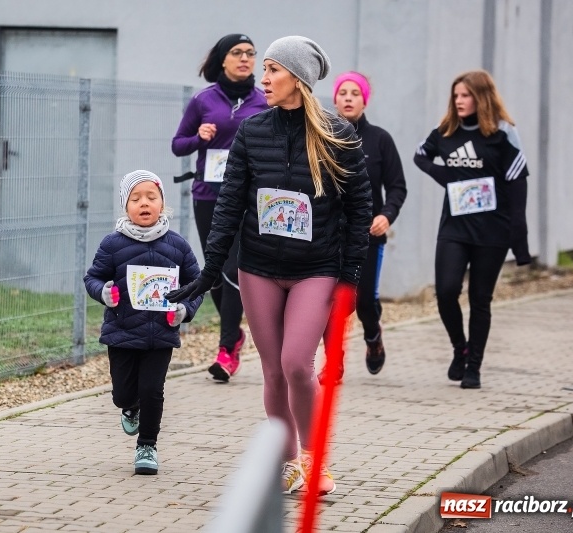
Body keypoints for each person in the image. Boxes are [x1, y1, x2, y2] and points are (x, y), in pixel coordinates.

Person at [167, 36, 372, 495]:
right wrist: (209, 269)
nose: (263, 77)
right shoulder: (252, 131)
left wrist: (350, 278)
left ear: (297, 79)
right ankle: (289, 462)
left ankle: (314, 458)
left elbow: (360, 209)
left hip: (315, 268)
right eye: (264, 68)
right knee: (273, 370)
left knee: (297, 363)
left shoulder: (337, 133)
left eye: (273, 69)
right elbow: (229, 205)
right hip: (258, 267)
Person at [413, 70, 531, 390]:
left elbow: (518, 181)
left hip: (493, 231)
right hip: (454, 227)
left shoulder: (503, 132)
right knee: (446, 291)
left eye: (466, 95)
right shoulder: (446, 131)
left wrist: (518, 235)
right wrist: (443, 175)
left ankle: (474, 366)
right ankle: (460, 348)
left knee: (480, 299)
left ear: (482, 97)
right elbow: (420, 155)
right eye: (456, 95)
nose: (459, 101)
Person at [84, 170, 204, 475]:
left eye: (152, 197)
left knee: (152, 390)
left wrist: (184, 310)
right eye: (136, 198)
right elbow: (93, 277)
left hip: (161, 334)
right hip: (122, 332)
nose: (144, 203)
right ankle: (130, 406)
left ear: (162, 203)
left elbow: (196, 284)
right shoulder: (112, 244)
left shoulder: (177, 245)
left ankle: (147, 446)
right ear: (125, 205)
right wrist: (104, 293)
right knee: (123, 394)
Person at [171, 33, 268, 382]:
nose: (245, 58)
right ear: (223, 59)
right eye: (237, 52)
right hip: (208, 195)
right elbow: (178, 145)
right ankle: (234, 334)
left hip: (247, 197)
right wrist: (199, 138)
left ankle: (227, 349)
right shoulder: (203, 100)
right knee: (214, 270)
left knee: (232, 267)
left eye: (250, 53)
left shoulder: (264, 101)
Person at [324, 71, 408, 376]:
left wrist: (386, 215)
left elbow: (397, 186)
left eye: (355, 93)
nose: (348, 98)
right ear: (335, 99)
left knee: (364, 303)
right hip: (330, 234)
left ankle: (373, 336)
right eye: (343, 93)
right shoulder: (323, 135)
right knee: (334, 300)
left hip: (368, 235)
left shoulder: (380, 140)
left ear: (365, 101)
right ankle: (334, 361)